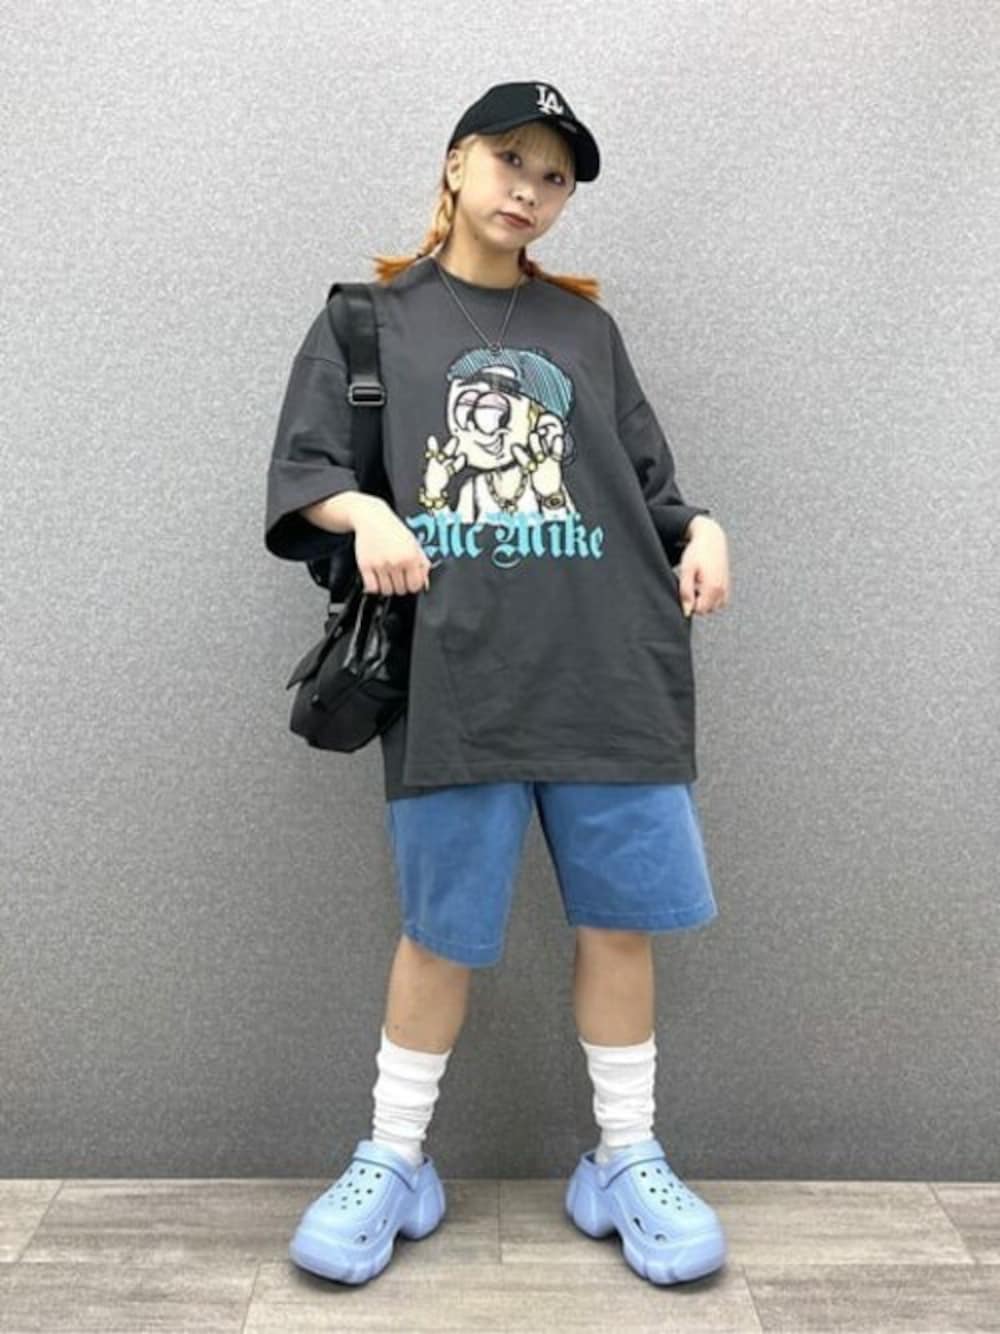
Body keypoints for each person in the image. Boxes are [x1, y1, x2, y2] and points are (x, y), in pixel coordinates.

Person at [264, 80, 732, 1289]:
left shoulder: (585, 332)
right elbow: (307, 470)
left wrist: (703, 528)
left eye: (554, 176)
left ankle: (623, 1158)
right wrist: (364, 508)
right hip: (454, 675)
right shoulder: (368, 322)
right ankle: (393, 1159)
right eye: (511, 160)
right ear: (457, 162)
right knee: (441, 932)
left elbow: (648, 486)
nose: (529, 189)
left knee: (619, 921)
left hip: (608, 670)